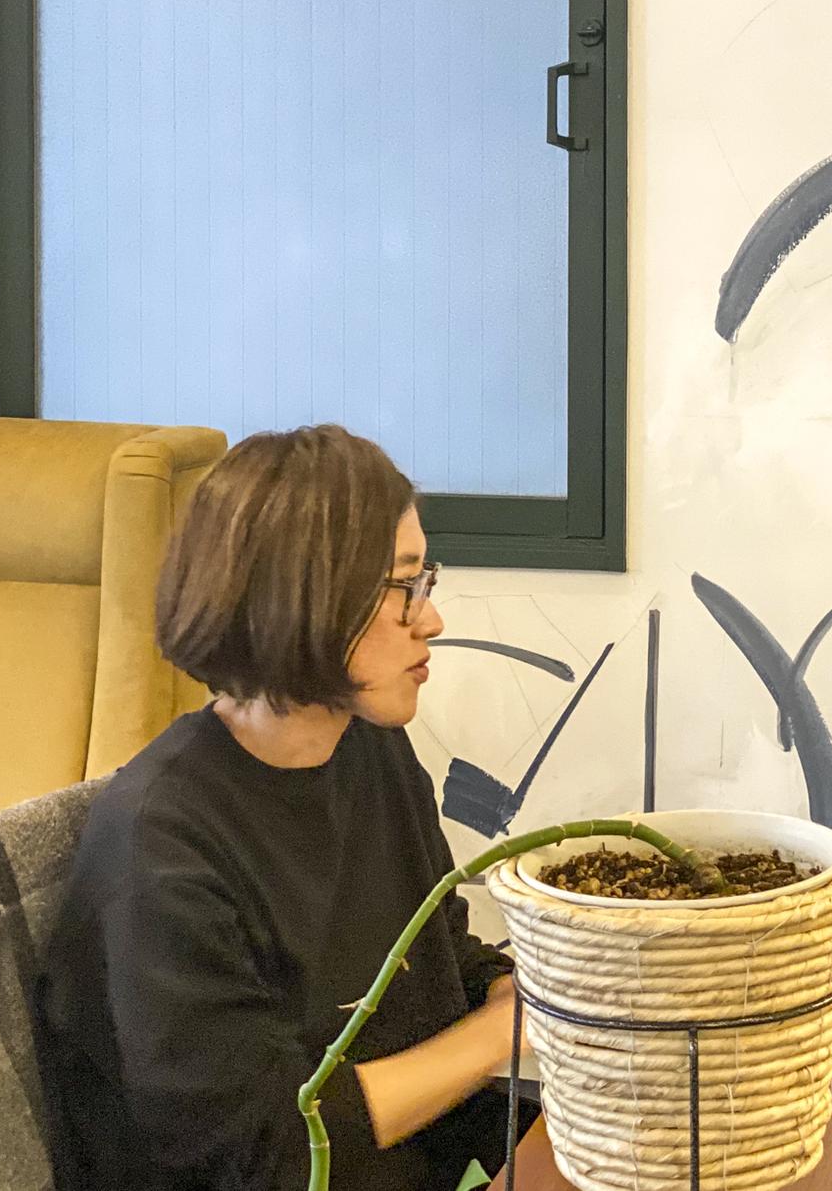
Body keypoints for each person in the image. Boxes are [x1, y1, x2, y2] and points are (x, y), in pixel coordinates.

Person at [41, 425, 532, 1190]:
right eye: (405, 588)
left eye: (425, 582)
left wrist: (526, 997)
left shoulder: (372, 751)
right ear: (304, 600)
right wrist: (498, 1037)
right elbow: (269, 1151)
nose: (429, 619)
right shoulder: (161, 844)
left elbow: (433, 963)